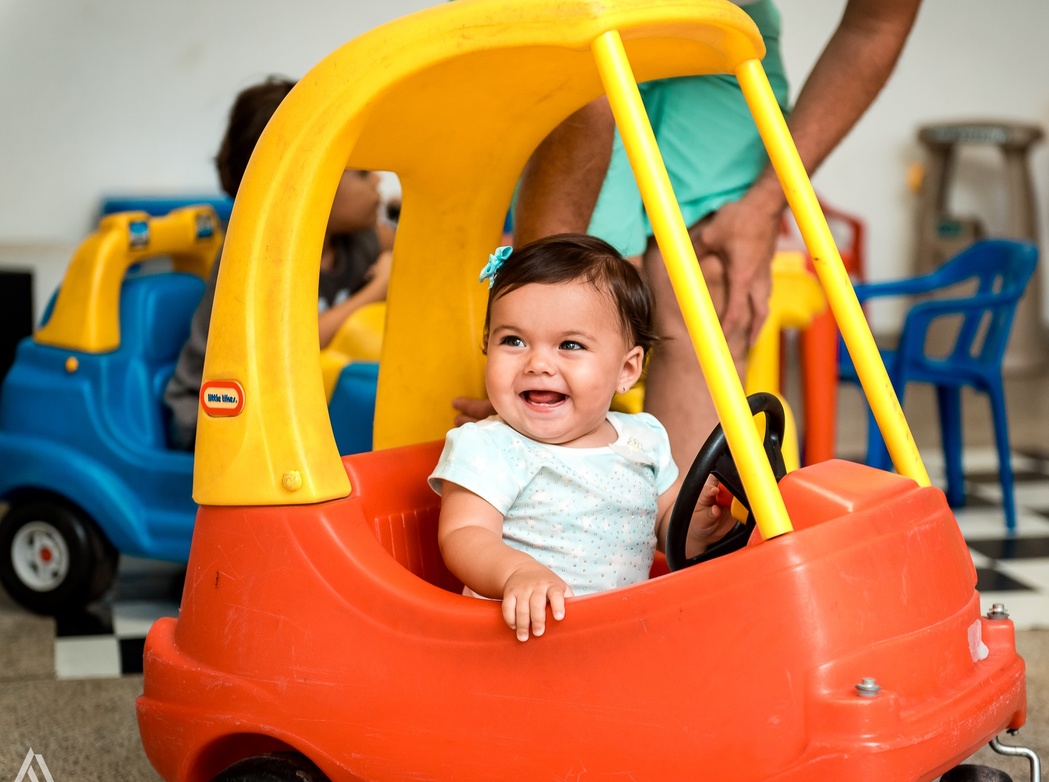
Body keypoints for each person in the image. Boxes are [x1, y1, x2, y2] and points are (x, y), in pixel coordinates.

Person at [470, 0, 922, 472]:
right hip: (575, 15)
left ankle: (676, 524)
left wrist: (764, 205)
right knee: (571, 300)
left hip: (717, 34)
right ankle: (539, 499)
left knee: (708, 288)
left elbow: (877, 23)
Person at [430, 235, 733, 642]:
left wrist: (699, 525)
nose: (538, 363)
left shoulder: (642, 438)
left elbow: (665, 523)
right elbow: (464, 534)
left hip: (619, 636)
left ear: (626, 370)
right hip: (519, 644)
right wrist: (516, 573)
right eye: (512, 341)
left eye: (569, 345)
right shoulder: (490, 447)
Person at [164, 76, 394, 450]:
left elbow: (405, 243)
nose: (378, 179)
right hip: (220, 413)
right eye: (362, 171)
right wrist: (373, 292)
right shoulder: (255, 255)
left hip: (291, 405)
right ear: (304, 180)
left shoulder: (355, 239)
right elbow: (291, 345)